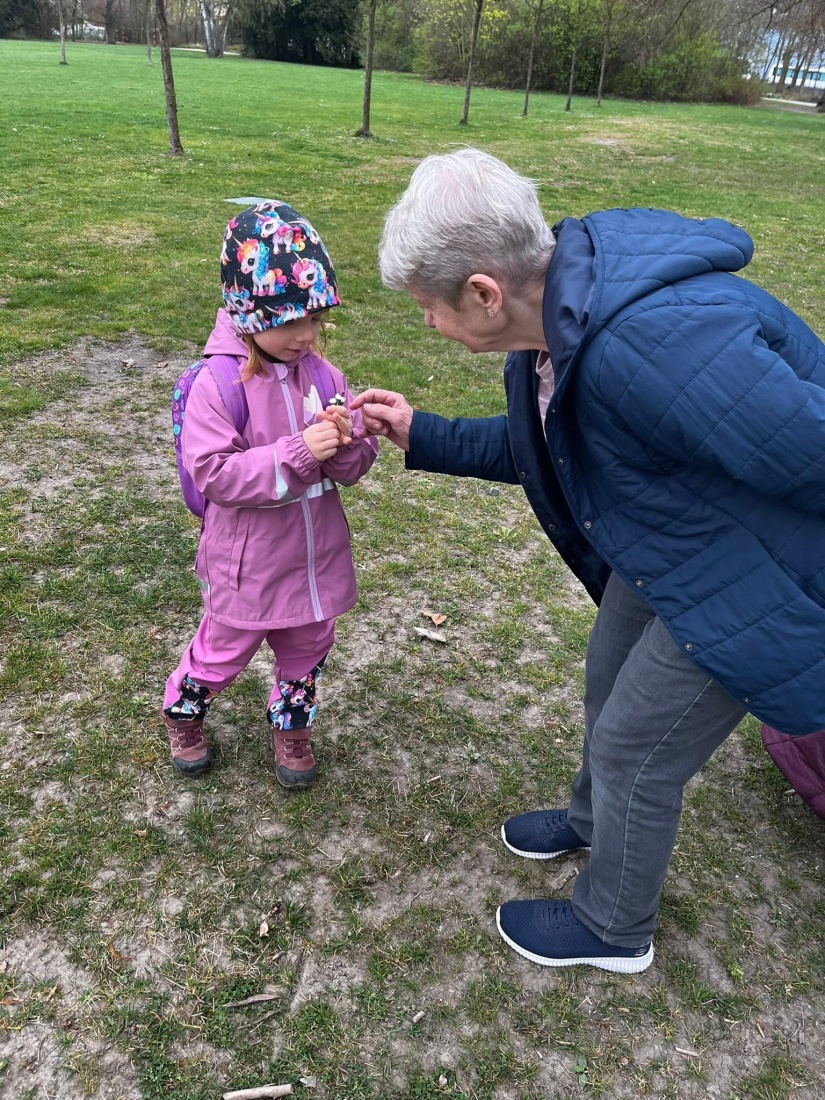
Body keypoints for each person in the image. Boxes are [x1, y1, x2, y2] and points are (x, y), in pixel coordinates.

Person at [351, 148, 825, 973]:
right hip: (676, 546)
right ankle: (590, 823)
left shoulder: (655, 346)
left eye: (428, 307)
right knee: (607, 681)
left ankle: (614, 928)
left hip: (755, 582)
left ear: (483, 293)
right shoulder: (556, 323)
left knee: (635, 753)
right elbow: (555, 442)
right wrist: (423, 433)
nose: (426, 324)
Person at [162, 201, 378, 788]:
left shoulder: (325, 377)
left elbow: (351, 468)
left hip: (313, 560)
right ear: (247, 314)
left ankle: (292, 727)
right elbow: (215, 473)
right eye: (289, 322)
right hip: (247, 563)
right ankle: (184, 710)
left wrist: (351, 442)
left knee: (307, 651)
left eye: (316, 319)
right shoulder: (218, 383)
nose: (306, 336)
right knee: (222, 650)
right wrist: (301, 452)